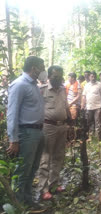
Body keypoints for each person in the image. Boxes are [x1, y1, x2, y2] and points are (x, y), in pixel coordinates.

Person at [6, 56, 45, 209]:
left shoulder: (34, 85)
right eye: (41, 67)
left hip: (38, 132)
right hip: (27, 133)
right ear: (34, 68)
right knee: (23, 169)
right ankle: (17, 204)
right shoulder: (19, 85)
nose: (43, 70)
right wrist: (13, 139)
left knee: (33, 167)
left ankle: (27, 200)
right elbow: (12, 113)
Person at [37, 65, 70, 200]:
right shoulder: (42, 90)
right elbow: (36, 108)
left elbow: (66, 106)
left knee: (58, 156)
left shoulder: (63, 89)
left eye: (60, 76)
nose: (58, 79)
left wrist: (70, 121)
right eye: (55, 76)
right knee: (45, 158)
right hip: (48, 127)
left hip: (62, 126)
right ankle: (43, 189)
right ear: (49, 76)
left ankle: (54, 185)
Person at [81, 72, 101, 140]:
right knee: (90, 123)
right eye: (92, 76)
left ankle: (98, 140)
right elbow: (84, 96)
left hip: (98, 107)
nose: (93, 77)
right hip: (89, 107)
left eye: (94, 76)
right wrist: (83, 105)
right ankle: (91, 138)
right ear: (89, 77)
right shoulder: (86, 85)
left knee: (98, 123)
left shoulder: (99, 84)